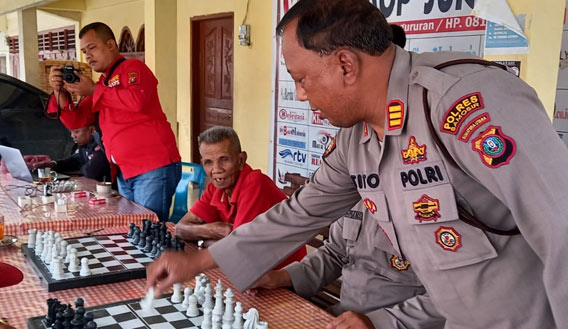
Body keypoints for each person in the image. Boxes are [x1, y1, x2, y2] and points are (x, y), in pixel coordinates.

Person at [147, 1, 568, 328]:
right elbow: (301, 212)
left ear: (345, 65)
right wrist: (201, 261)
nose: (301, 95)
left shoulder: (460, 101)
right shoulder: (356, 139)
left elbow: (562, 227)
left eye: (302, 78)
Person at [46, 22, 181, 221]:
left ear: (110, 45)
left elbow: (137, 102)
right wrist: (59, 92)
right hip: (124, 170)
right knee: (132, 230)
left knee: (148, 232)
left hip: (151, 167)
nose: (88, 55)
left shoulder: (133, 67)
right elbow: (77, 120)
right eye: (84, 51)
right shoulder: (102, 83)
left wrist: (93, 91)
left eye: (92, 47)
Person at [252, 200, 445, 328]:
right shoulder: (357, 193)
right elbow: (334, 253)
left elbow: (454, 295)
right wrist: (283, 277)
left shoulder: (432, 207)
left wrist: (377, 322)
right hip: (341, 317)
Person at [175, 126, 307, 269]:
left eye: (224, 159)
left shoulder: (255, 183)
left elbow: (237, 250)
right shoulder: (217, 186)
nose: (216, 169)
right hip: (250, 267)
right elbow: (180, 229)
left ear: (241, 160)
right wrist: (215, 230)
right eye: (208, 162)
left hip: (282, 275)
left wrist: (202, 240)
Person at [30, 107, 110, 182]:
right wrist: (53, 164)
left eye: (76, 132)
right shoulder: (84, 144)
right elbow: (76, 160)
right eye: (71, 132)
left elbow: (91, 171)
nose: (72, 136)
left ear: (91, 130)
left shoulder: (101, 146)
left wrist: (77, 171)